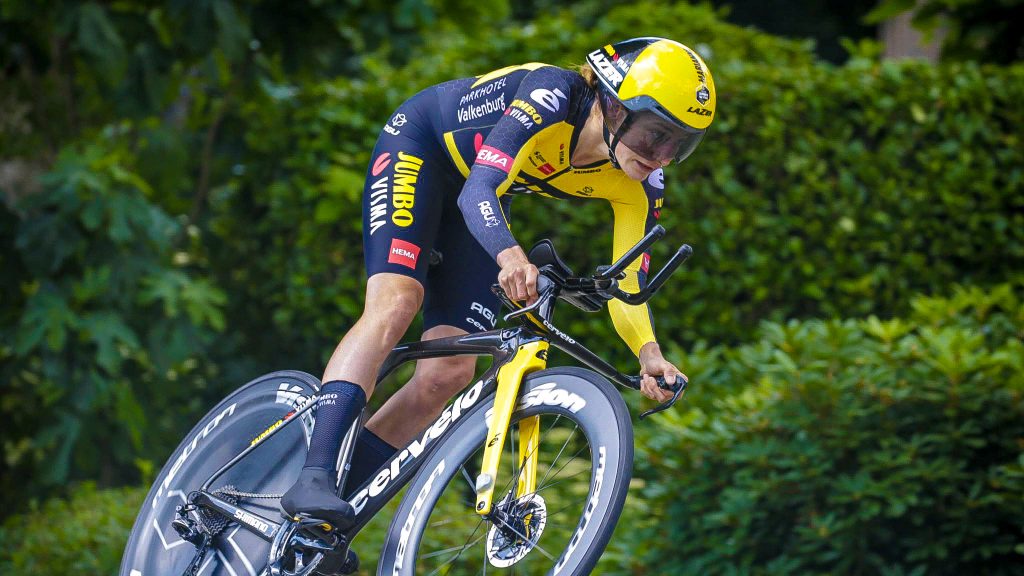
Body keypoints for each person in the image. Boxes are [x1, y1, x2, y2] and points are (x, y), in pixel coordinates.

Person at [280, 37, 717, 528]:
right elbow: (478, 192)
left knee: (449, 373)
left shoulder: (641, 184)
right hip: (423, 150)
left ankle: (322, 523)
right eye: (656, 135)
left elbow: (628, 285)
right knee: (397, 302)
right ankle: (314, 476)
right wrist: (511, 257)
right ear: (614, 106)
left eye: (680, 144)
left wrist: (648, 353)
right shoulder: (552, 95)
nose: (662, 156)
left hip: (486, 190)